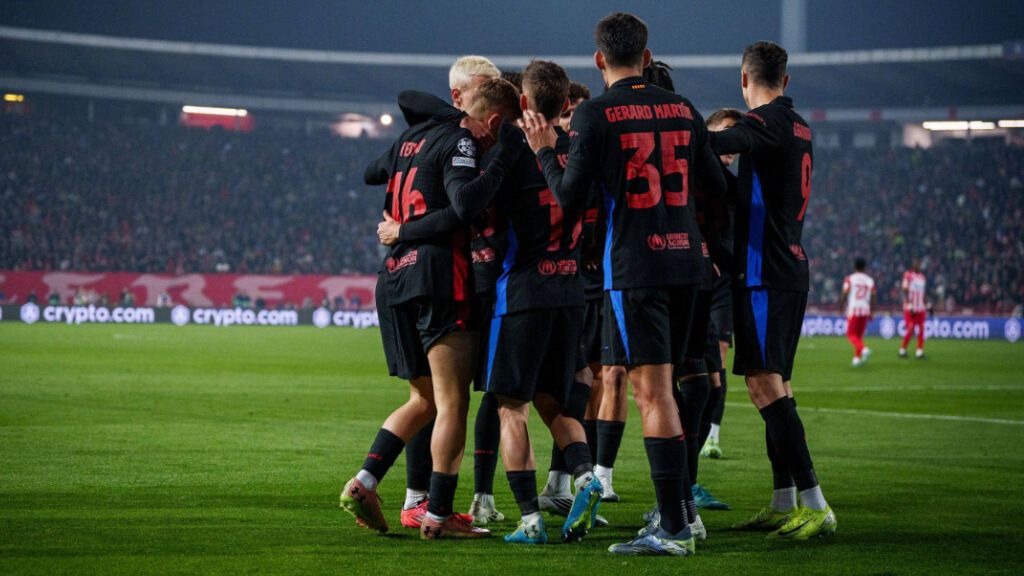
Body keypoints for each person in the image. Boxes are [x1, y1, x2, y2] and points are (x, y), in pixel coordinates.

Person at [520, 12, 726, 556]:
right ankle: (680, 515)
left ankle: (676, 530)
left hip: (636, 270)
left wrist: (544, 150)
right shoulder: (683, 110)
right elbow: (718, 190)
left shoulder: (595, 113)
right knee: (677, 390)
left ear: (598, 60)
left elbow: (569, 196)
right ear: (648, 55)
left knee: (651, 393)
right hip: (689, 268)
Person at [341, 77, 523, 540]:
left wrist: (400, 232)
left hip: (394, 278)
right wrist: (502, 156)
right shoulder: (463, 139)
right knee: (451, 403)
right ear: (496, 122)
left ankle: (364, 483)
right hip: (438, 277)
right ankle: (439, 516)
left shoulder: (411, 137)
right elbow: (463, 205)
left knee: (422, 400)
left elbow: (373, 166)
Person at [710, 41, 836, 540]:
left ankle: (815, 502)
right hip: (786, 268)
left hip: (766, 273)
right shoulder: (799, 126)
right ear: (786, 80)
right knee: (774, 384)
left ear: (745, 80)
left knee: (765, 385)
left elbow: (723, 143)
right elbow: (755, 190)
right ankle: (785, 499)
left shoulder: (768, 122)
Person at [482, 60, 603, 544]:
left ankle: (530, 520)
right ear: (567, 105)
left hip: (522, 294)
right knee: (557, 404)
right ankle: (588, 477)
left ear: (525, 104)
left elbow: (482, 212)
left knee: (512, 408)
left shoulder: (512, 151)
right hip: (570, 293)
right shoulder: (578, 152)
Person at [700, 108, 743, 460]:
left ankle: (712, 436)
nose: (732, 143)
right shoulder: (692, 175)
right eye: (727, 133)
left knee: (719, 362)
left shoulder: (736, 187)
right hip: (694, 276)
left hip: (723, 283)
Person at [841, 258, 876, 367]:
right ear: (864, 267)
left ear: (854, 267)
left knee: (851, 334)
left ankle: (864, 350)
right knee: (859, 336)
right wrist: (872, 310)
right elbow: (874, 296)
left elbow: (845, 293)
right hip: (865, 309)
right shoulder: (869, 280)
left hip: (854, 309)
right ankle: (856, 359)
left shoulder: (850, 279)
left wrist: (840, 304)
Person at [900, 259, 927, 359]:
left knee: (921, 329)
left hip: (921, 307)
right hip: (910, 307)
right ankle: (902, 349)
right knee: (911, 328)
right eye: (916, 264)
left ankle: (919, 351)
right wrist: (909, 304)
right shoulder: (908, 275)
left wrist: (927, 304)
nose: (918, 266)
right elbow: (904, 290)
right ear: (913, 265)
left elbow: (923, 293)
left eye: (919, 264)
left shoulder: (922, 277)